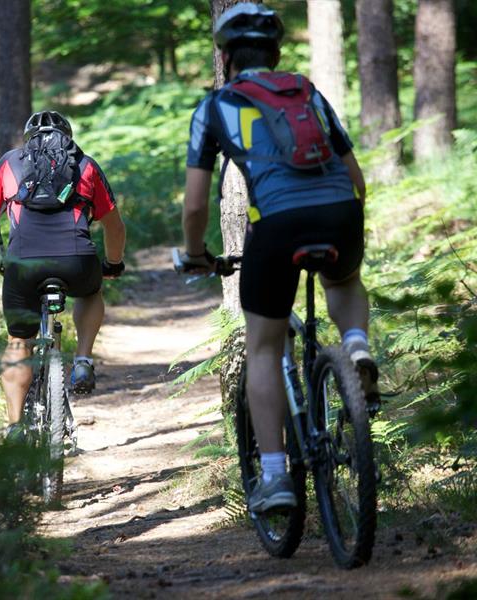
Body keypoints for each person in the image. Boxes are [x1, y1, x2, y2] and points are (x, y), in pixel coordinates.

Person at [179, 3, 379, 513]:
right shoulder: (307, 92)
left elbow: (196, 204)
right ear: (276, 53)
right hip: (340, 212)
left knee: (265, 348)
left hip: (276, 225)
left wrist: (196, 253)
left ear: (224, 57)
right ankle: (356, 346)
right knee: (343, 281)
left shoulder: (215, 106)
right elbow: (356, 178)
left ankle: (274, 477)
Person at [0, 111, 126, 436]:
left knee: (18, 341)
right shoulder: (85, 165)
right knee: (90, 292)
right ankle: (82, 360)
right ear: (68, 138)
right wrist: (113, 263)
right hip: (76, 260)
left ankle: (15, 426)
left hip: (23, 264)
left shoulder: (10, 163)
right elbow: (113, 224)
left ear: (28, 139)